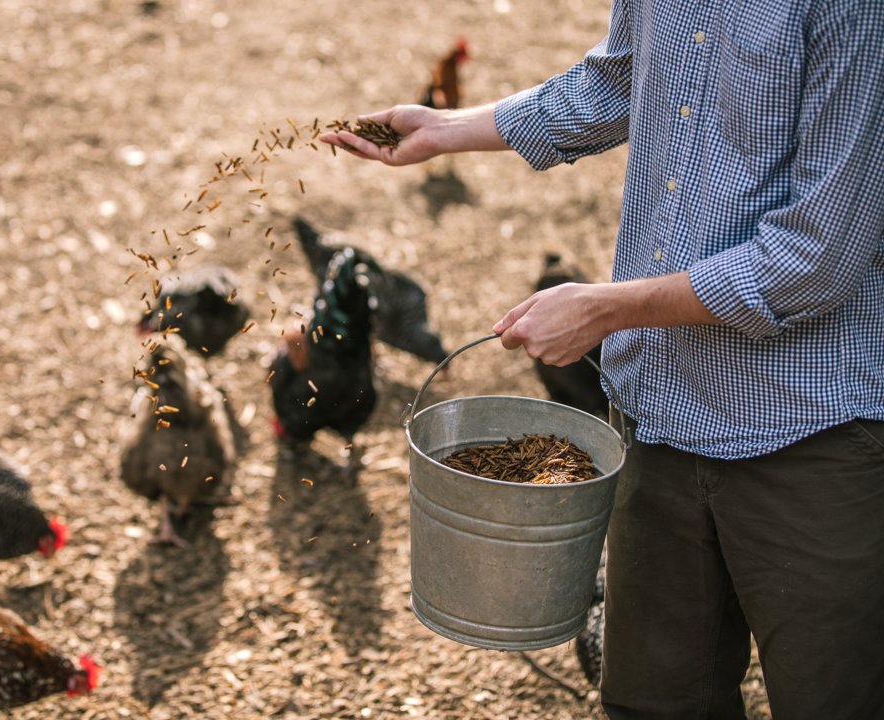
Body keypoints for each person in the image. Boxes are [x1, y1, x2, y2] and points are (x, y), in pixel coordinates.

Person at [321, 1, 884, 718]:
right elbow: (619, 80)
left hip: (811, 431)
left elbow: (816, 261)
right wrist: (447, 129)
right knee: (653, 702)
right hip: (659, 412)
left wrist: (609, 308)